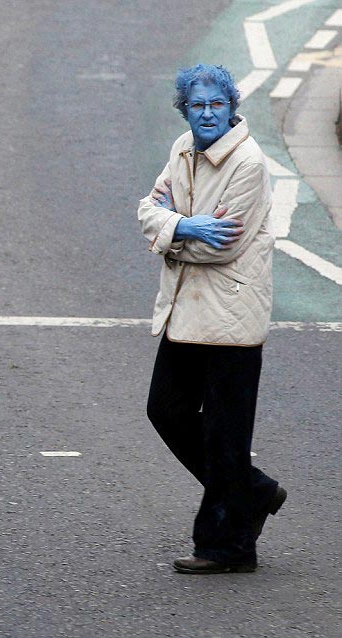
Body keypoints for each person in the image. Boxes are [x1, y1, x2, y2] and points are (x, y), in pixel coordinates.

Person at [136, 64, 286, 574]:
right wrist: (183, 224)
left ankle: (228, 547)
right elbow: (145, 211)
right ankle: (255, 490)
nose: (206, 114)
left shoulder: (247, 162)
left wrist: (172, 230)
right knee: (166, 410)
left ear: (231, 107)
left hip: (231, 319)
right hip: (185, 312)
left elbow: (222, 248)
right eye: (197, 105)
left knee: (226, 434)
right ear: (185, 108)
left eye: (216, 105)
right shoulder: (183, 148)